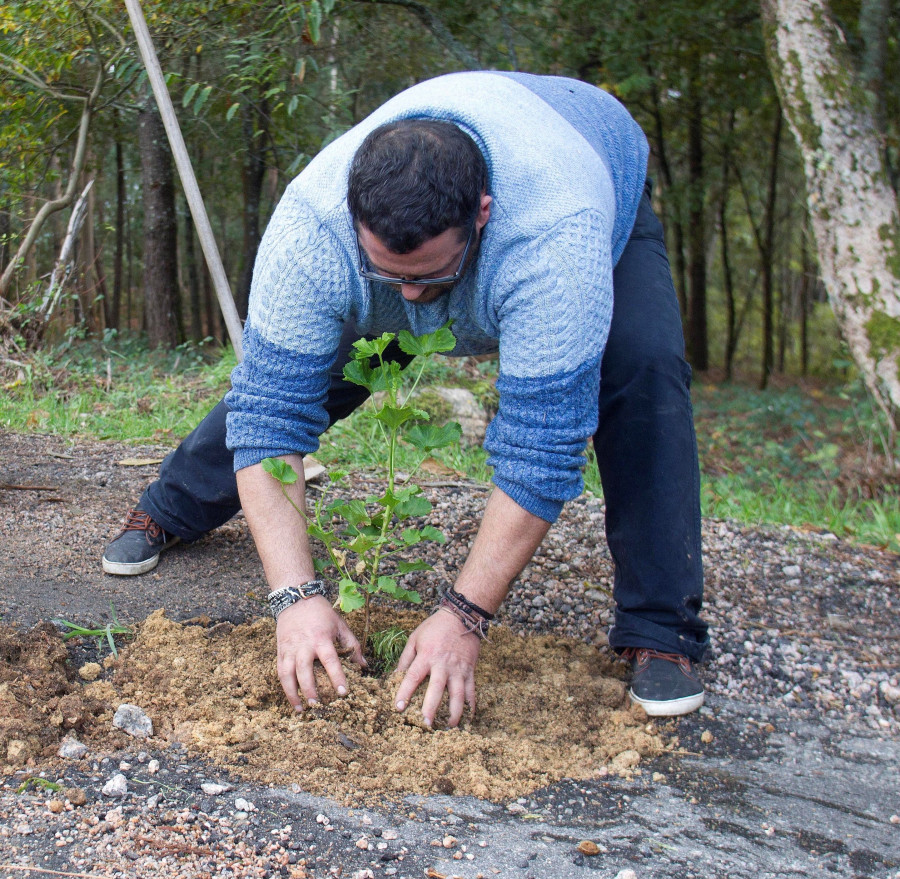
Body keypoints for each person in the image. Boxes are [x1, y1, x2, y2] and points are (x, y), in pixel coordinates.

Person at [103, 71, 709, 725]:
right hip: (424, 225)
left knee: (643, 375)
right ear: (353, 217)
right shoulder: (311, 231)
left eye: (428, 275)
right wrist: (294, 596)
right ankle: (167, 509)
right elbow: (270, 415)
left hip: (592, 165)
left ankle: (661, 633)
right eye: (388, 274)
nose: (411, 297)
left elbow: (543, 444)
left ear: (481, 213)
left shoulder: (554, 240)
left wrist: (466, 615)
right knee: (307, 375)